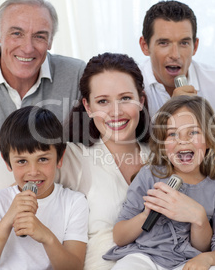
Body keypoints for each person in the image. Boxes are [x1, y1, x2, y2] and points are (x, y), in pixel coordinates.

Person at [103, 95, 215, 269]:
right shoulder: (149, 176)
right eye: (172, 134)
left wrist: (199, 219)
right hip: (143, 257)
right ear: (163, 144)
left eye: (193, 132)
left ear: (209, 140)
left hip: (186, 262)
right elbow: (119, 236)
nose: (182, 140)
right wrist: (145, 215)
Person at [56, 52, 151, 269]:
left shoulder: (163, 156)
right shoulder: (74, 158)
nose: (115, 112)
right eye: (103, 101)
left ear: (141, 100)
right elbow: (20, 182)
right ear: (88, 107)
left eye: (125, 98)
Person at [0, 106, 89, 269]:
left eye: (43, 159)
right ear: (7, 162)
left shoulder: (74, 202)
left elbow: (74, 267)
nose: (33, 172)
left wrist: (46, 237)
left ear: (59, 158)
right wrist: (7, 220)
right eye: (22, 161)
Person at [0, 0, 86, 145]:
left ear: (50, 41)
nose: (28, 48)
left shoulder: (77, 74)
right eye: (17, 33)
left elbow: (90, 148)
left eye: (39, 36)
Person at [139, 0, 215, 127]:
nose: (175, 55)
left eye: (184, 43)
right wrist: (172, 110)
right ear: (145, 46)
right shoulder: (130, 87)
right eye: (164, 43)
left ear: (195, 46)